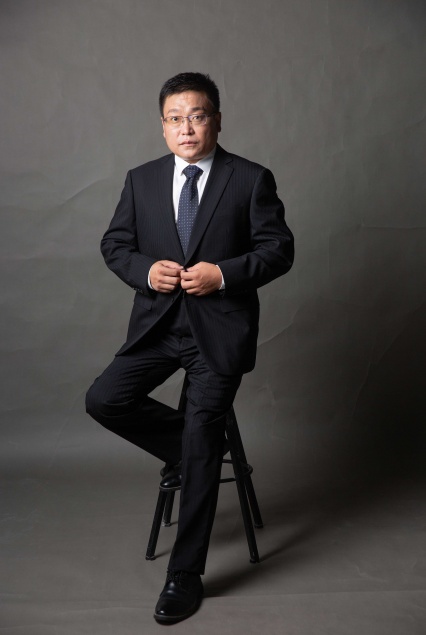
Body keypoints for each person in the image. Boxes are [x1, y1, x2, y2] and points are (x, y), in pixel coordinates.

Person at [86, 72, 294, 624]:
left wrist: (222, 275)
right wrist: (143, 271)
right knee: (104, 400)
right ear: (163, 126)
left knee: (202, 437)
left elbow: (279, 250)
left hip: (218, 333)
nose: (186, 128)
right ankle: (189, 450)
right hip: (158, 329)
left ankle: (185, 574)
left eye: (197, 116)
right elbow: (115, 243)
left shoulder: (249, 178)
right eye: (175, 119)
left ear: (216, 121)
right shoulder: (141, 180)